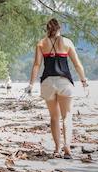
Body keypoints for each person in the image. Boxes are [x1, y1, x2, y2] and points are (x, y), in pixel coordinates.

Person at [26, 18, 88, 159]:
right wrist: (83, 80)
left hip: (47, 83)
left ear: (47, 29)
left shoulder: (41, 43)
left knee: (54, 117)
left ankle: (56, 149)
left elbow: (36, 65)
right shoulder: (67, 42)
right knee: (67, 116)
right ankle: (67, 147)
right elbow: (77, 64)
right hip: (64, 82)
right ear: (60, 28)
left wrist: (31, 84)